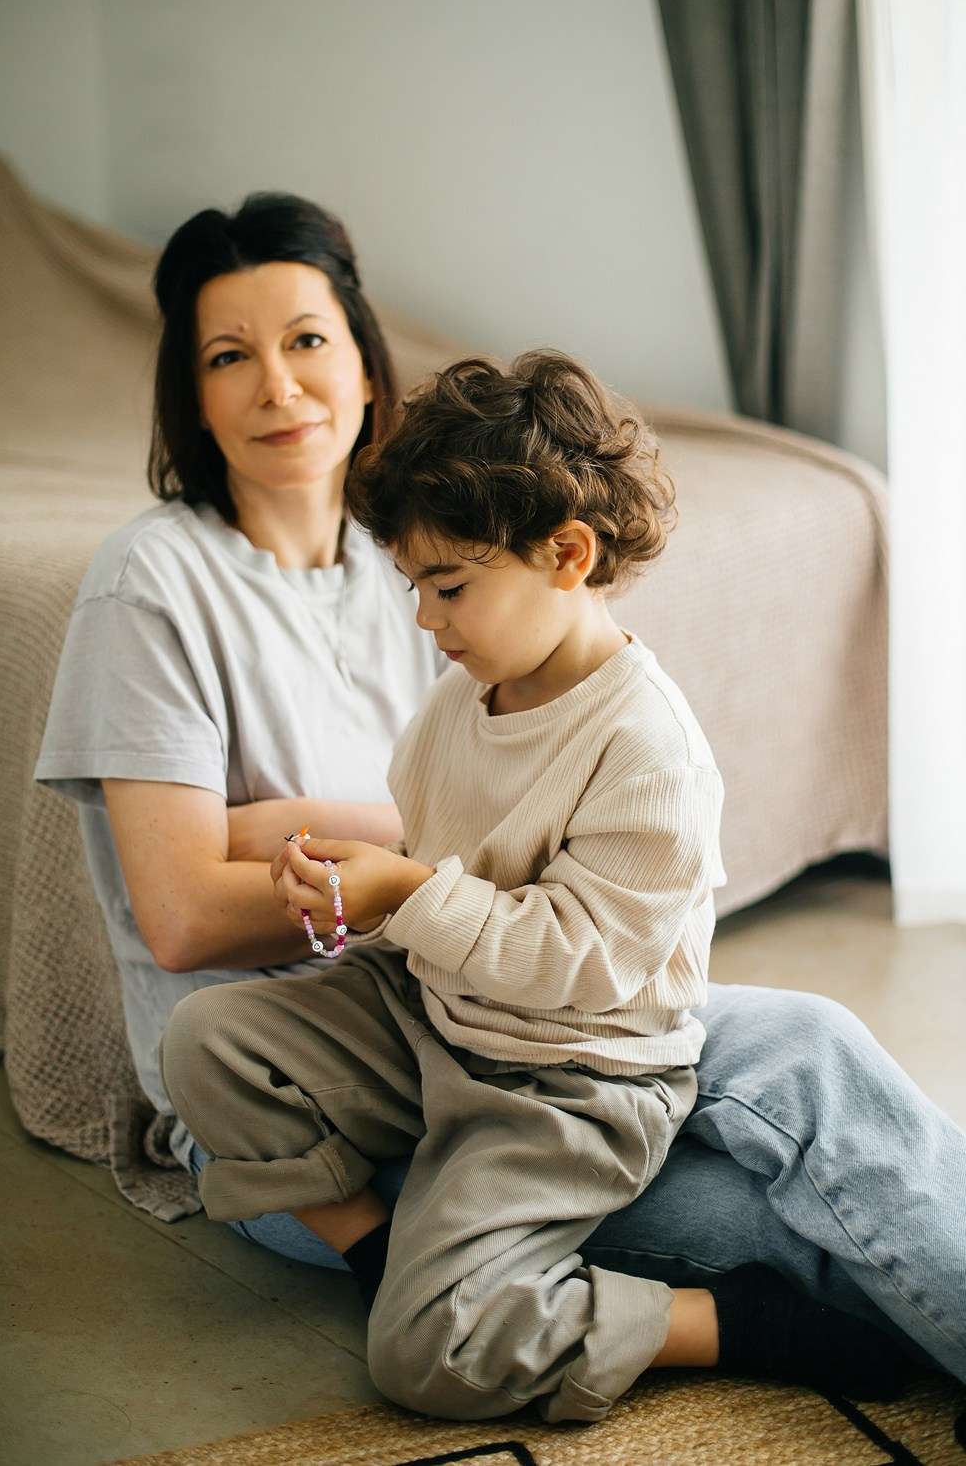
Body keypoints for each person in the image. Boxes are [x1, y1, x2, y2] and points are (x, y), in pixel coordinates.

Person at [34, 193, 966, 1396]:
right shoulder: (162, 585)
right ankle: (610, 1305)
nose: (278, 387)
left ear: (367, 360)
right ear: (189, 388)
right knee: (772, 1216)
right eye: (229, 356)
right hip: (370, 1060)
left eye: (307, 340)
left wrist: (301, 837)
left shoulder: (424, 557)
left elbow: (483, 863)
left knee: (815, 1055)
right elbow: (189, 913)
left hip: (526, 1013)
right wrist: (411, 877)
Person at [160, 351, 914, 1422]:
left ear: (567, 554)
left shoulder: (647, 748)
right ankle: (387, 1261)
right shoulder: (461, 702)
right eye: (415, 586)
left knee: (425, 1364)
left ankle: (724, 1322)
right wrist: (343, 891)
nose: (427, 620)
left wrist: (406, 893)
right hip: (434, 1012)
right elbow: (439, 878)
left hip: (564, 1073)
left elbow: (579, 960)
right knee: (205, 1042)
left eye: (450, 586)